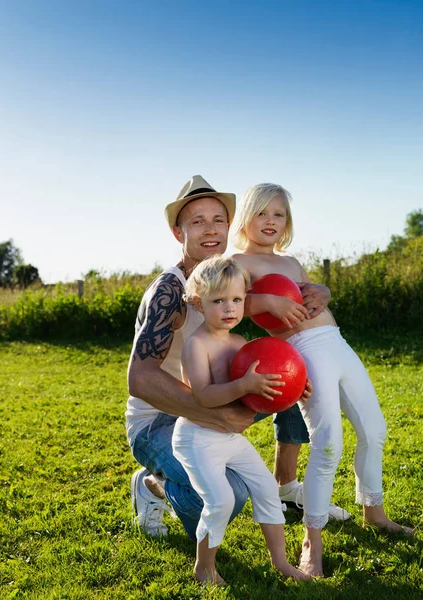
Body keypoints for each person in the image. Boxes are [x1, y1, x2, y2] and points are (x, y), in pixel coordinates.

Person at [126, 175, 333, 540]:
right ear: (179, 233)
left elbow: (289, 285)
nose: (211, 230)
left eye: (218, 220)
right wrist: (216, 415)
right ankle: (152, 486)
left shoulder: (229, 277)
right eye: (197, 221)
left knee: (293, 376)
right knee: (232, 494)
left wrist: (320, 290)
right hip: (158, 420)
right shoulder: (169, 290)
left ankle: (285, 485)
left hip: (220, 396)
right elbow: (140, 379)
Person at [231, 182, 414, 577]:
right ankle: (312, 541)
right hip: (305, 351)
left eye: (278, 214)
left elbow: (311, 294)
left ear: (287, 222)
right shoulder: (238, 263)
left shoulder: (292, 261)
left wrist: (325, 291)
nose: (270, 221)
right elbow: (228, 303)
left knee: (375, 430)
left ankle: (374, 512)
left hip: (337, 342)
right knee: (328, 442)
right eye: (262, 212)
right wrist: (266, 302)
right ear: (245, 217)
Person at [173, 255, 311, 584]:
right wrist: (244, 385)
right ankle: (204, 567)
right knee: (220, 501)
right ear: (198, 303)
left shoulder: (239, 342)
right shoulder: (197, 345)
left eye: (237, 300)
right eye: (218, 300)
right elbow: (204, 396)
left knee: (265, 487)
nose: (230, 308)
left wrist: (290, 388)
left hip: (227, 437)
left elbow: (260, 385)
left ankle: (280, 563)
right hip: (197, 438)